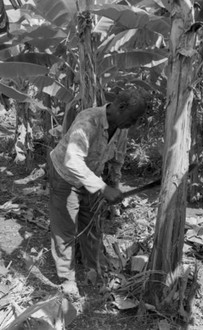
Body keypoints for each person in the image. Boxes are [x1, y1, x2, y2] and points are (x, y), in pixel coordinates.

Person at [48, 89, 148, 298]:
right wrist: (103, 188)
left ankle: (93, 267)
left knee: (92, 223)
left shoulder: (121, 126)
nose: (135, 123)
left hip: (91, 176)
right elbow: (72, 160)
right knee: (65, 228)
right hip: (65, 175)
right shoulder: (88, 121)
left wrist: (114, 184)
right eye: (134, 117)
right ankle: (67, 279)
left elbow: (117, 158)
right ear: (121, 107)